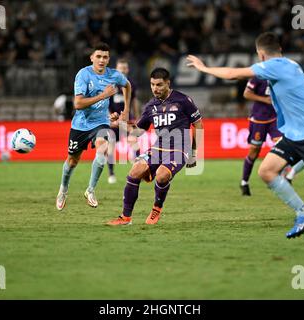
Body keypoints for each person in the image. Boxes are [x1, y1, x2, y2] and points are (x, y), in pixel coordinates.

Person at [186, 32, 304, 243]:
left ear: (261, 54)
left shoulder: (272, 66)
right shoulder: (292, 64)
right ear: (279, 50)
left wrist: (203, 68)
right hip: (296, 133)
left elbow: (233, 74)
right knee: (267, 171)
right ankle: (303, 214)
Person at [107, 67, 203, 225]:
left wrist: (194, 152)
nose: (155, 88)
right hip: (158, 148)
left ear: (168, 83)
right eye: (152, 84)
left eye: (159, 85)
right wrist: (120, 124)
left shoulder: (183, 100)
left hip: (179, 148)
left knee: (162, 174)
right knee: (134, 171)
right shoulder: (151, 106)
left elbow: (198, 125)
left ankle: (156, 209)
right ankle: (126, 218)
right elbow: (137, 132)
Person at [56, 43, 131, 210]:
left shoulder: (114, 75)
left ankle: (90, 190)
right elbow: (78, 103)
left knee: (103, 148)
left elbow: (127, 85)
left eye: (105, 57)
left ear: (108, 59)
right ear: (92, 58)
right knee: (72, 161)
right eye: (98, 56)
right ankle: (63, 189)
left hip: (101, 123)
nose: (102, 60)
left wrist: (126, 110)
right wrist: (103, 95)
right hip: (80, 125)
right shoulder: (83, 74)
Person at [240, 77, 282, 196]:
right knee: (254, 151)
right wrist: (264, 99)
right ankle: (244, 182)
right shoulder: (257, 77)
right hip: (259, 120)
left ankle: (276, 178)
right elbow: (246, 94)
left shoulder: (277, 76)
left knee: (281, 144)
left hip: (274, 118)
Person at [107, 58, 140, 184]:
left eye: (125, 68)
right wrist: (111, 118)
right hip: (114, 119)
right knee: (110, 146)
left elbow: (135, 101)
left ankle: (137, 171)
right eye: (121, 68)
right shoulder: (110, 84)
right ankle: (111, 173)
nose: (123, 70)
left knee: (135, 142)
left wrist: (136, 117)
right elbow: (106, 103)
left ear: (128, 69)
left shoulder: (131, 83)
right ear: (117, 69)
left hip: (127, 119)